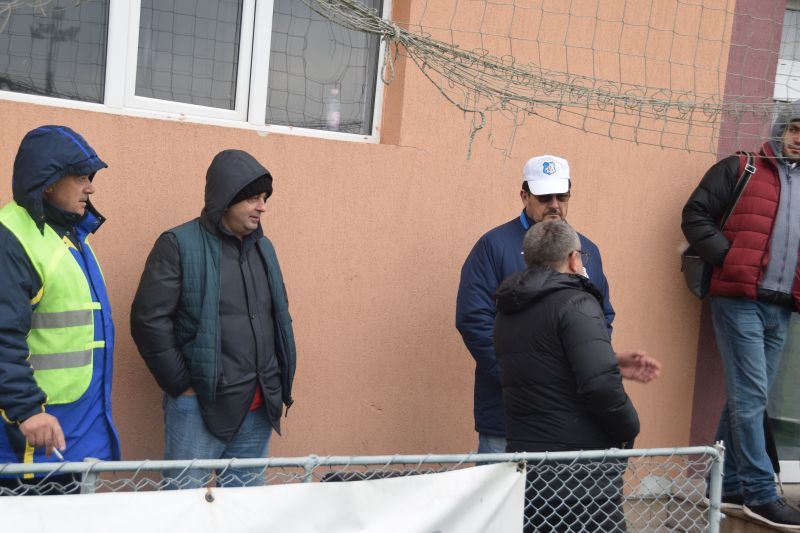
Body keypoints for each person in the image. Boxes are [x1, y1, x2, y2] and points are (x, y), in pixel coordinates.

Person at [456, 154, 659, 454]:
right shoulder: (493, 246)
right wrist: (521, 380)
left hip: (572, 421)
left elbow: (600, 318)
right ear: (524, 195)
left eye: (561, 196)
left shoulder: (587, 249)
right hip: (508, 417)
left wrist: (602, 363)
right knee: (501, 486)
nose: (554, 204)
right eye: (544, 197)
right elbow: (474, 320)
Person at [130, 149, 296, 489]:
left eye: (264, 199)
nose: (262, 207)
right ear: (225, 198)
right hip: (199, 407)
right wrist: (182, 386)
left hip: (258, 406)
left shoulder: (264, 249)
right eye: (252, 198)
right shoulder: (178, 244)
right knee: (183, 503)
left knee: (244, 509)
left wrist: (276, 381)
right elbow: (149, 321)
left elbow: (276, 316)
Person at [682, 100, 800, 528]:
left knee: (748, 397)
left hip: (782, 307)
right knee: (751, 397)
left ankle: (727, 486)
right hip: (738, 300)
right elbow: (695, 215)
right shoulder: (742, 168)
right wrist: (729, 259)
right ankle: (760, 492)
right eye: (795, 128)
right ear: (780, 129)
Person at [494, 220, 640, 532]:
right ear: (574, 259)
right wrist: (629, 426)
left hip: (527, 468)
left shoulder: (508, 311)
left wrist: (611, 360)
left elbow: (546, 364)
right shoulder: (577, 303)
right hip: (582, 476)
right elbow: (600, 385)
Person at [0, 125, 120, 494]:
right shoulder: (13, 238)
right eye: (81, 177)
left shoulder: (67, 233)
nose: (90, 188)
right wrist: (27, 410)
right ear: (48, 183)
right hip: (29, 440)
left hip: (70, 434)